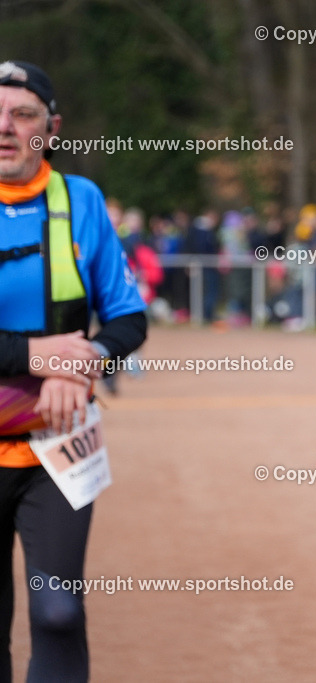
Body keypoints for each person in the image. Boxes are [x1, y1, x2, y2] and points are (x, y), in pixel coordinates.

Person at [0, 60, 147, 682]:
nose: (5, 128)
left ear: (52, 128)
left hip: (58, 446)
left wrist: (80, 363)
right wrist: (39, 357)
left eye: (23, 114)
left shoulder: (80, 199)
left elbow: (129, 319)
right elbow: (40, 350)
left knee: (58, 611)